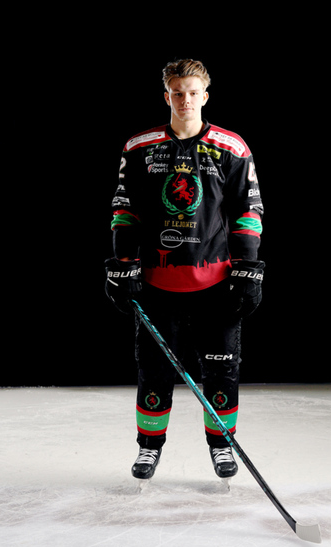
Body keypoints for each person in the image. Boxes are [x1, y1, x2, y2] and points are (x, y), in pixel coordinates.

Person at [105, 58, 265, 482]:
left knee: (222, 369)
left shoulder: (232, 147)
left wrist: (248, 269)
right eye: (178, 92)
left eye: (193, 92)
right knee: (154, 371)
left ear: (205, 96)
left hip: (216, 283)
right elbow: (125, 210)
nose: (185, 100)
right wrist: (123, 264)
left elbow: (248, 211)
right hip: (158, 283)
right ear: (167, 96)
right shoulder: (139, 147)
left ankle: (221, 445)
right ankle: (149, 447)